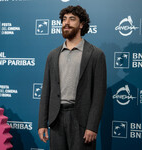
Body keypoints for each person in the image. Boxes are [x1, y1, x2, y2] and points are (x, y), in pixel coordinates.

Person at [38, 5, 107, 150]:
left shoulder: (95, 54)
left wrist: (92, 126)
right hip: (56, 119)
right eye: (64, 19)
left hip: (81, 121)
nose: (66, 23)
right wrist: (42, 123)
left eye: (72, 19)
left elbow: (98, 95)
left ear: (82, 24)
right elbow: (46, 91)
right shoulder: (53, 55)